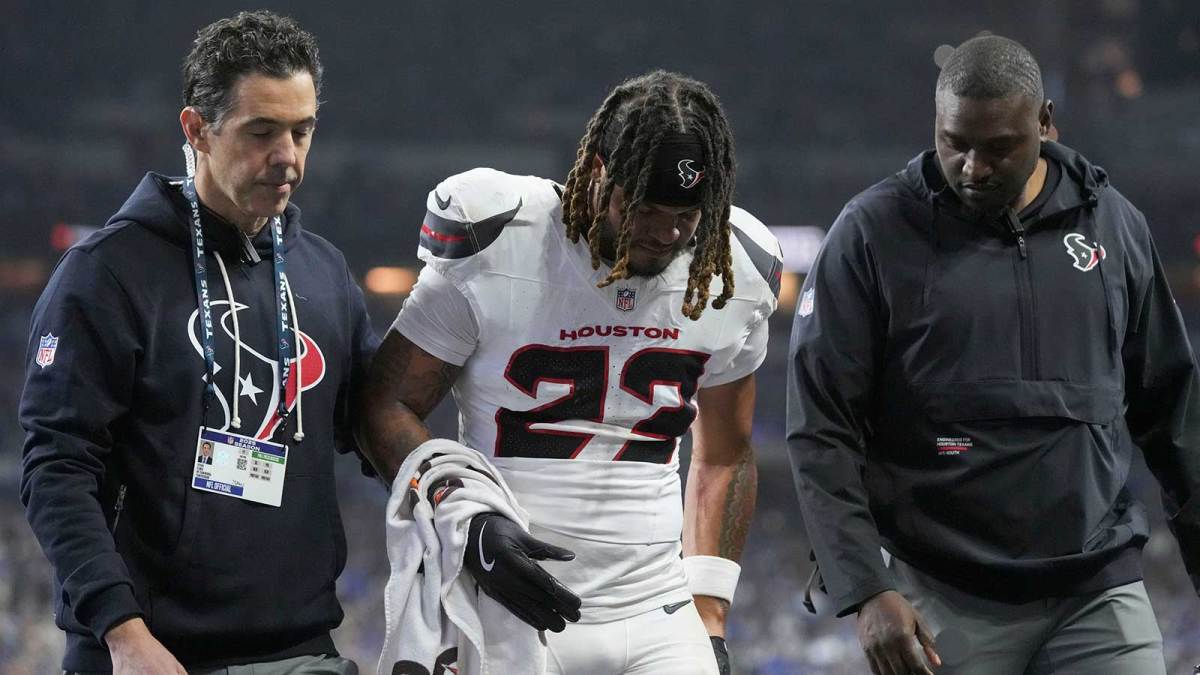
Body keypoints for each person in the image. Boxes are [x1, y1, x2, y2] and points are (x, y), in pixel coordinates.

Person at [787, 34, 1200, 675]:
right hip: (941, 597)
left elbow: (1175, 419)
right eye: (955, 142)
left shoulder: (1115, 227)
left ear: (1045, 121)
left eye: (999, 147)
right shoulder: (871, 233)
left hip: (1097, 591)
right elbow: (822, 429)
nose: (973, 168)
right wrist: (865, 587)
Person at [359, 70, 783, 675]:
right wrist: (464, 523)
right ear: (598, 172)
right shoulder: (502, 238)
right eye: (646, 209)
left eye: (687, 214)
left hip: (659, 608)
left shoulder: (736, 267)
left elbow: (724, 454)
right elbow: (384, 404)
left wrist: (710, 609)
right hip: (510, 604)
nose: (667, 232)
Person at [19, 10, 376, 674]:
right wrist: (122, 634)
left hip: (302, 651)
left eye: (302, 131)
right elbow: (57, 468)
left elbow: (376, 426)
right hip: (151, 655)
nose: (288, 157)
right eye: (261, 132)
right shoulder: (108, 272)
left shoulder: (324, 272)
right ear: (197, 129)